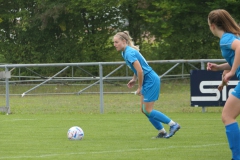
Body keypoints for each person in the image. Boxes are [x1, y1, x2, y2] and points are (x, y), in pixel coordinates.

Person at [113, 31, 180, 138]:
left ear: (124, 41)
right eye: (114, 42)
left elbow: (140, 71)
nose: (114, 44)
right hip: (147, 80)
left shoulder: (129, 52)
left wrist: (139, 87)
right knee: (144, 110)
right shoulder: (124, 52)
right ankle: (162, 132)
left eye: (116, 42)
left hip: (150, 80)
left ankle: (173, 124)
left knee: (148, 110)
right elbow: (137, 70)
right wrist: (134, 79)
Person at [207, 9, 240, 160]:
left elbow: (239, 48)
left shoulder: (226, 38)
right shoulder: (232, 36)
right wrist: (220, 68)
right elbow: (235, 58)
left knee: (227, 116)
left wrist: (232, 72)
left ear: (212, 25)